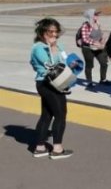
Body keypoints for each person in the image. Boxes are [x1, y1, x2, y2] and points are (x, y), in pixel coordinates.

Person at [30, 18, 77, 159]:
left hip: (59, 82)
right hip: (47, 84)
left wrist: (71, 63)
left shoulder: (58, 45)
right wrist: (52, 47)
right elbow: (50, 65)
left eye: (56, 31)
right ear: (43, 32)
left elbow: (64, 61)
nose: (54, 34)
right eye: (50, 31)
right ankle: (57, 149)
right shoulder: (39, 48)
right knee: (60, 115)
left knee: (47, 115)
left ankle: (40, 147)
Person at [77, 8, 109, 88]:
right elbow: (85, 39)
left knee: (104, 63)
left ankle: (103, 80)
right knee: (89, 65)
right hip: (87, 48)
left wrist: (102, 41)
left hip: (98, 48)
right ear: (90, 16)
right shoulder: (85, 26)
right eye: (95, 14)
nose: (97, 16)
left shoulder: (98, 24)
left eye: (97, 14)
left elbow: (101, 34)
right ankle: (89, 82)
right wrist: (95, 42)